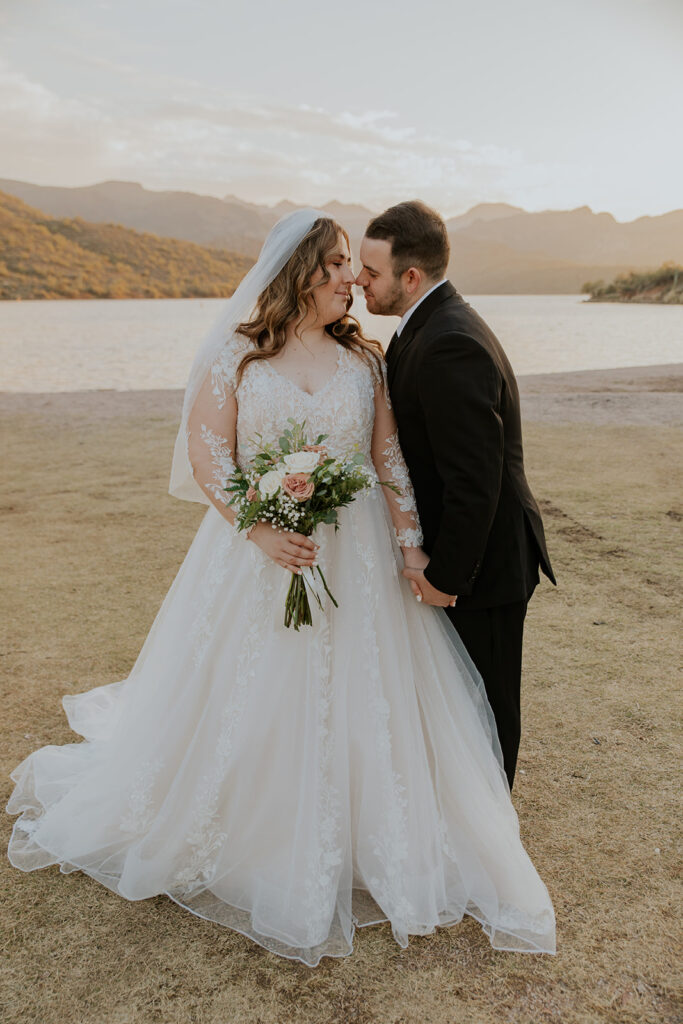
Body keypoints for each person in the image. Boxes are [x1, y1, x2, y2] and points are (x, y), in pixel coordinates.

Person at [6, 209, 555, 966]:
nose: (350, 279)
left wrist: (410, 550)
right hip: (263, 554)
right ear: (296, 271)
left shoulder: (364, 360)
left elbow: (388, 461)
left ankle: (372, 833)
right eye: (335, 264)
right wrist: (259, 528)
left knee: (372, 691)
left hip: (358, 554)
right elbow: (211, 459)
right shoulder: (237, 356)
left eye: (354, 267)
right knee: (254, 687)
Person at [357, 200, 556, 789]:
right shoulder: (425, 326)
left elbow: (476, 480)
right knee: (459, 703)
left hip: (485, 565)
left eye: (371, 272)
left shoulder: (450, 342)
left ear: (409, 276)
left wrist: (446, 576)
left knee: (487, 709)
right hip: (463, 557)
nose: (359, 282)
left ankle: (492, 840)